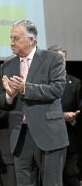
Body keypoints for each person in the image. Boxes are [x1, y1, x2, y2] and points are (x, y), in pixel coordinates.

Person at [0, 19, 68, 186]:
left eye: (16, 38)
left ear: (31, 39)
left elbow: (57, 89)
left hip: (49, 134)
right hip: (20, 135)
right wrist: (9, 96)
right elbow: (0, 100)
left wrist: (25, 88)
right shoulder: (7, 65)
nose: (11, 42)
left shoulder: (53, 59)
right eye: (11, 38)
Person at [48, 45, 81, 186]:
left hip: (70, 139)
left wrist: (75, 116)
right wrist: (60, 115)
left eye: (64, 59)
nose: (62, 63)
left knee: (71, 176)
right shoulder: (39, 83)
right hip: (47, 138)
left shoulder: (75, 83)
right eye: (58, 59)